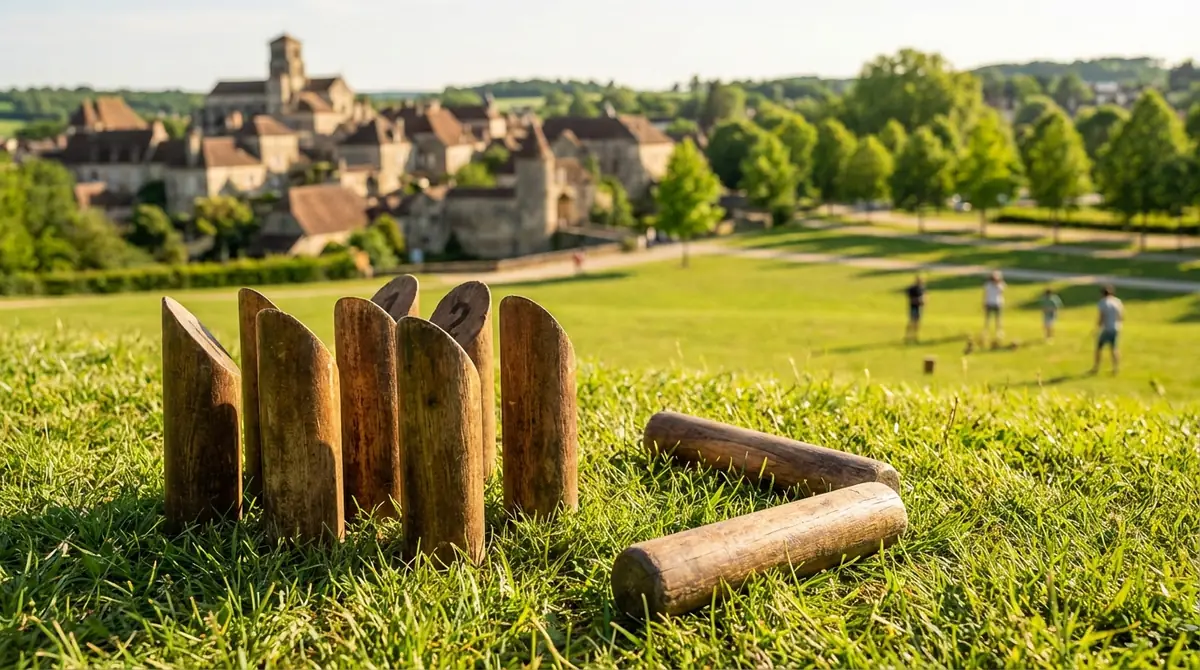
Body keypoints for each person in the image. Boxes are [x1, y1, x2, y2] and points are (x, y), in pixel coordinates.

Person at [1091, 285, 1124, 375]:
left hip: (1107, 328)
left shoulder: (1103, 303)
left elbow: (1102, 316)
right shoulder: (1117, 302)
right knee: (1114, 348)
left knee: (1099, 348)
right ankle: (1115, 368)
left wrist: (1097, 328)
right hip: (1116, 327)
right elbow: (1120, 315)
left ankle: (1096, 367)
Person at [983, 271, 1006, 344]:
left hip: (997, 303)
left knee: (998, 318)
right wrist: (984, 302)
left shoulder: (1000, 285)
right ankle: (986, 331)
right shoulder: (988, 285)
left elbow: (1002, 290)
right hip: (989, 302)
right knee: (988, 318)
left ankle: (998, 331)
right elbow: (985, 293)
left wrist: (998, 283)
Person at [905, 275, 926, 343]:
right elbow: (910, 298)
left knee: (917, 323)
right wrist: (918, 300)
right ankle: (908, 336)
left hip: (919, 307)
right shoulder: (912, 289)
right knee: (911, 322)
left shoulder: (922, 288)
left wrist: (924, 300)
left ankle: (915, 336)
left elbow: (925, 295)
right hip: (913, 307)